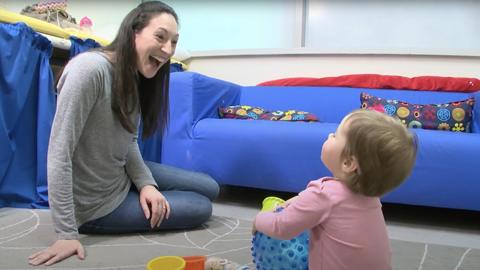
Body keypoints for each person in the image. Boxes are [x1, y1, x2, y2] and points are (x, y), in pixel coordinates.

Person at [28, 1, 219, 266]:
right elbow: (59, 153)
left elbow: (128, 140)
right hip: (96, 205)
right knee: (200, 207)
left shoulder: (134, 76)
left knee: (211, 187)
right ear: (133, 33)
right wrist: (66, 233)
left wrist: (146, 185)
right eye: (160, 37)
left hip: (118, 174)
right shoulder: (89, 70)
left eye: (174, 42)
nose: (168, 50)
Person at [252, 109, 417, 270]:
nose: (330, 135)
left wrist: (259, 219)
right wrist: (295, 200)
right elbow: (321, 205)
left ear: (348, 163)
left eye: (336, 135)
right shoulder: (370, 198)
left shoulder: (324, 193)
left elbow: (281, 227)